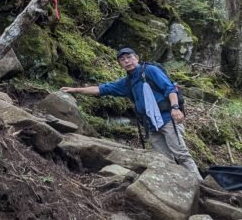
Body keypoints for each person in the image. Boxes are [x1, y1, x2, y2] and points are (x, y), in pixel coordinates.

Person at [61, 47, 201, 178]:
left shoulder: (150, 70)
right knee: (164, 160)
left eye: (129, 57)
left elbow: (170, 89)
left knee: (181, 154)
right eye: (122, 60)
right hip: (151, 126)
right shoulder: (127, 83)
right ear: (120, 64)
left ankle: (199, 184)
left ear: (137, 58)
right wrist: (75, 90)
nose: (127, 61)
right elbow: (102, 89)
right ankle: (177, 184)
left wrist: (175, 108)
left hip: (167, 119)